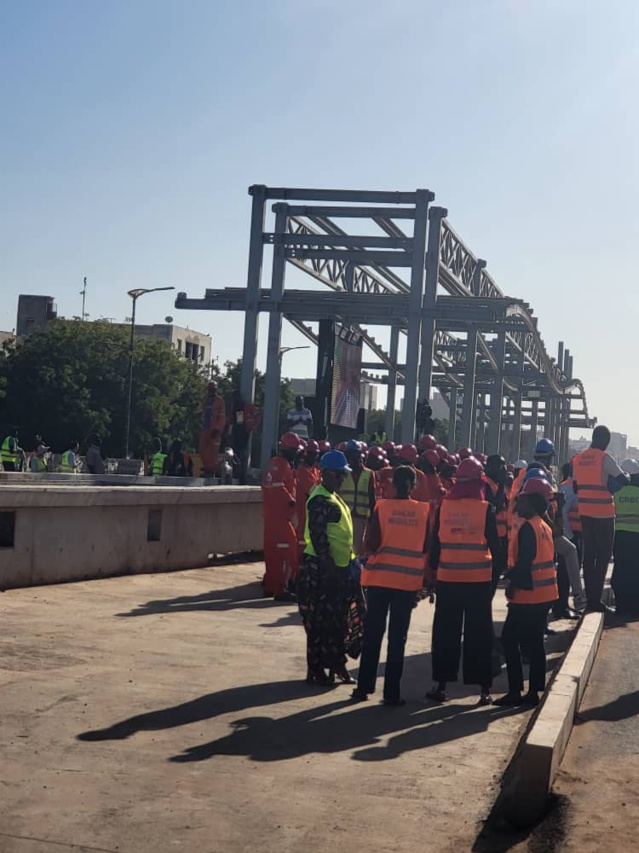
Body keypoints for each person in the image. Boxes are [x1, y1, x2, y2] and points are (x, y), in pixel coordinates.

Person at [352, 466, 429, 705]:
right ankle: (392, 693)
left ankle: (363, 687)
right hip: (406, 584)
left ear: (394, 483)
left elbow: (370, 543)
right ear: (414, 486)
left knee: (373, 635)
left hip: (379, 580)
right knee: (398, 638)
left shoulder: (381, 508)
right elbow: (426, 547)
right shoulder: (423, 512)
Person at [426, 456, 500, 706]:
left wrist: (433, 574)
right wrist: (495, 580)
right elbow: (497, 548)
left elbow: (436, 545)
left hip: (448, 579)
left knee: (446, 633)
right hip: (478, 581)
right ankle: (484, 691)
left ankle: (441, 686)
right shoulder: (485, 509)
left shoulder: (445, 506)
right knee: (479, 636)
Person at [298, 450, 365, 685]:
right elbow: (319, 538)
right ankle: (316, 668)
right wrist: (330, 571)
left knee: (338, 621)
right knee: (319, 623)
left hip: (339, 568)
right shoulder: (319, 499)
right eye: (338, 475)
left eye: (342, 475)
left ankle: (337, 664)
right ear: (325, 473)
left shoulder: (333, 497)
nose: (342, 479)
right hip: (320, 569)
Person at [494, 477, 558, 707]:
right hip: (544, 595)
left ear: (532, 501)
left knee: (510, 641)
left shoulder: (528, 527)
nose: (517, 503)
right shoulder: (544, 525)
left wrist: (513, 585)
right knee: (534, 644)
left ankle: (514, 691)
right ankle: (533, 692)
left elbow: (525, 562)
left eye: (521, 499)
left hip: (528, 596)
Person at [572, 425, 629, 612]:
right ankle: (596, 600)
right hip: (604, 513)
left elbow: (575, 487)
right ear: (605, 441)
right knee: (603, 556)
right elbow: (623, 480)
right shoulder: (605, 458)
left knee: (589, 556)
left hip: (585, 512)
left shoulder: (578, 459)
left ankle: (590, 598)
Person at [529, 439, 586, 615]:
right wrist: (557, 527)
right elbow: (543, 505)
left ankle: (559, 604)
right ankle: (576, 597)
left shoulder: (532, 471)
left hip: (538, 525)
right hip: (542, 526)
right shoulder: (541, 474)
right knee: (569, 552)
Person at [262, 432, 301, 600]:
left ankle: (271, 586)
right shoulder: (283, 465)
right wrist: (291, 500)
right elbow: (279, 487)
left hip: (271, 517)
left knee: (272, 554)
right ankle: (281, 589)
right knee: (288, 552)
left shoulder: (274, 463)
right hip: (281, 517)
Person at [611, 459, 639, 616]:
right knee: (635, 571)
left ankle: (621, 605)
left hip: (620, 536)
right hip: (637, 538)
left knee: (620, 569)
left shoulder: (616, 494)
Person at [339, 440, 376, 555]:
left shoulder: (369, 474)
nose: (351, 458)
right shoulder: (342, 472)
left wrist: (372, 520)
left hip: (360, 518)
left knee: (357, 550)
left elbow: (372, 498)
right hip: (343, 517)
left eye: (354, 455)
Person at [484, 454, 509, 590]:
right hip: (491, 536)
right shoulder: (486, 484)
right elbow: (496, 506)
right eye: (500, 466)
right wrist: (502, 484)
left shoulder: (495, 484)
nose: (503, 469)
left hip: (500, 534)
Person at [295, 440, 321, 562]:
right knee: (301, 547)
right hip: (303, 516)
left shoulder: (314, 471)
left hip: (312, 516)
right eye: (312, 454)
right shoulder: (302, 471)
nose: (314, 457)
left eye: (316, 454)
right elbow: (314, 491)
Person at [199, 380, 227, 477]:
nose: (211, 391)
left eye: (213, 389)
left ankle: (214, 469)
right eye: (210, 389)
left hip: (214, 431)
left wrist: (218, 430)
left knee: (212, 452)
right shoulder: (206, 400)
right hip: (205, 429)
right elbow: (202, 413)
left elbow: (222, 417)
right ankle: (207, 467)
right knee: (202, 449)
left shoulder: (220, 401)